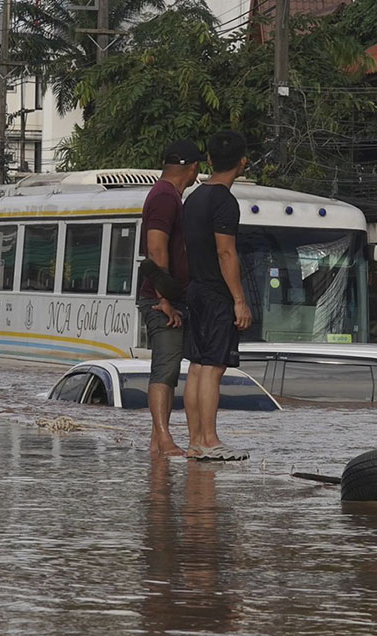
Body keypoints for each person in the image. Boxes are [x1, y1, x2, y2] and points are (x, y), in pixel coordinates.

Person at [182, 130, 251, 461]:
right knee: (213, 367)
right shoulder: (225, 201)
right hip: (215, 294)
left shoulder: (193, 198)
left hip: (194, 289)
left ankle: (195, 440)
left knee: (197, 365)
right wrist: (239, 299)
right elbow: (226, 253)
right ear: (242, 163)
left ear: (208, 160)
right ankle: (209, 440)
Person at [138, 139, 203, 457]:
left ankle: (157, 443)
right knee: (164, 369)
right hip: (160, 298)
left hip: (167, 295)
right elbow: (156, 248)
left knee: (170, 368)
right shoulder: (164, 196)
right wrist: (164, 298)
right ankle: (163, 438)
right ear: (193, 168)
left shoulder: (167, 196)